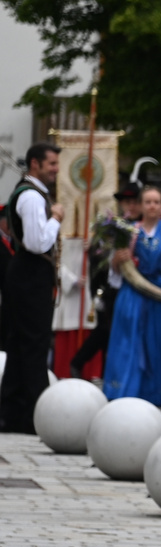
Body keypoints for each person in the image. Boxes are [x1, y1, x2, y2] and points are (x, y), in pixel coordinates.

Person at [103, 184, 161, 405]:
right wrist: (119, 259)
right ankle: (125, 391)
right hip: (132, 292)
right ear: (140, 206)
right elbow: (114, 270)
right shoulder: (128, 231)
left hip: (160, 292)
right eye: (148, 202)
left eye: (156, 202)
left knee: (156, 342)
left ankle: (154, 394)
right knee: (129, 340)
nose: (152, 206)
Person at [0, 143, 62, 432]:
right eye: (51, 164)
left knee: (19, 343)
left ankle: (13, 412)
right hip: (30, 273)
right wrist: (56, 220)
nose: (56, 169)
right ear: (35, 164)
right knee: (34, 345)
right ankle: (34, 414)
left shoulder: (28, 192)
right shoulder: (32, 197)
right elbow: (38, 243)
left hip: (24, 274)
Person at [68, 180, 142, 379]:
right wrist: (97, 291)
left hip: (136, 287)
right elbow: (97, 258)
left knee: (118, 333)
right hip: (108, 288)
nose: (132, 206)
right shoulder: (111, 227)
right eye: (127, 202)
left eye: (135, 202)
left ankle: (106, 371)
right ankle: (85, 364)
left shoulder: (143, 228)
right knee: (106, 330)